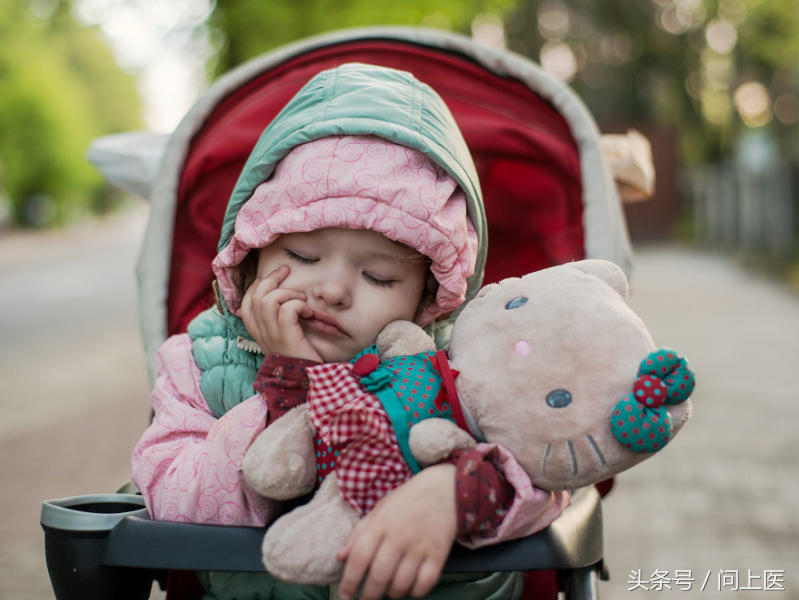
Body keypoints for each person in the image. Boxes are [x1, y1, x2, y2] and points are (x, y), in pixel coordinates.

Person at [132, 63, 569, 600]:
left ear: (427, 296)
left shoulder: (464, 364)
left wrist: (455, 493)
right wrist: (286, 394)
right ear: (252, 254)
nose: (333, 290)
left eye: (379, 276)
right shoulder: (199, 363)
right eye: (302, 254)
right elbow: (169, 496)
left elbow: (553, 467)